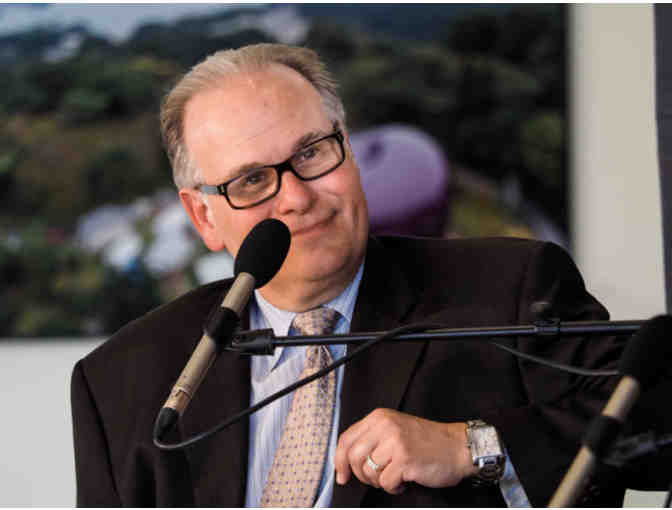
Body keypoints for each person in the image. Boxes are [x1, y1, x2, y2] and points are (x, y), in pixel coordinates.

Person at [71, 43, 627, 507]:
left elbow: (653, 425)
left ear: (350, 149)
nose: (296, 197)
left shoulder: (510, 288)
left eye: (312, 153)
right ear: (203, 217)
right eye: (252, 181)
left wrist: (474, 447)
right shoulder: (122, 381)